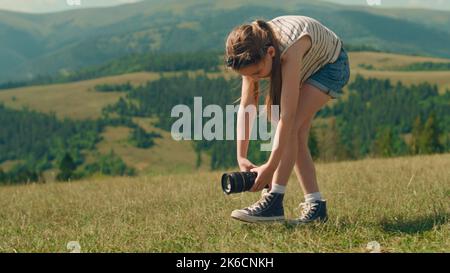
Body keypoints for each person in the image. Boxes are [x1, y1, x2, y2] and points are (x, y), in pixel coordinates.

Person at [224, 15, 350, 223]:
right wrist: (241, 157)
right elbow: (247, 107)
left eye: (256, 73)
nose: (254, 79)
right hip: (307, 64)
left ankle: (274, 200)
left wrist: (270, 167)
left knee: (291, 128)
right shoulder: (252, 52)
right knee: (296, 134)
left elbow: (287, 118)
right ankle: (316, 207)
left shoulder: (289, 49)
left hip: (330, 66)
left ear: (271, 53)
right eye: (248, 76)